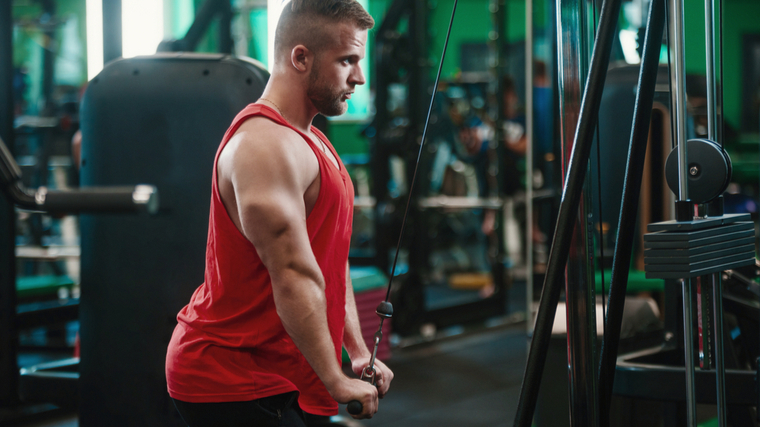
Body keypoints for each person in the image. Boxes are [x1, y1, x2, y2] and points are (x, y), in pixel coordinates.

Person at [165, 1, 393, 425]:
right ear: (300, 57)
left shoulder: (313, 140)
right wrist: (334, 378)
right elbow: (291, 271)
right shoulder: (263, 146)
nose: (359, 77)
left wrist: (357, 352)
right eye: (347, 61)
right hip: (228, 373)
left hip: (282, 368)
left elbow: (329, 257)